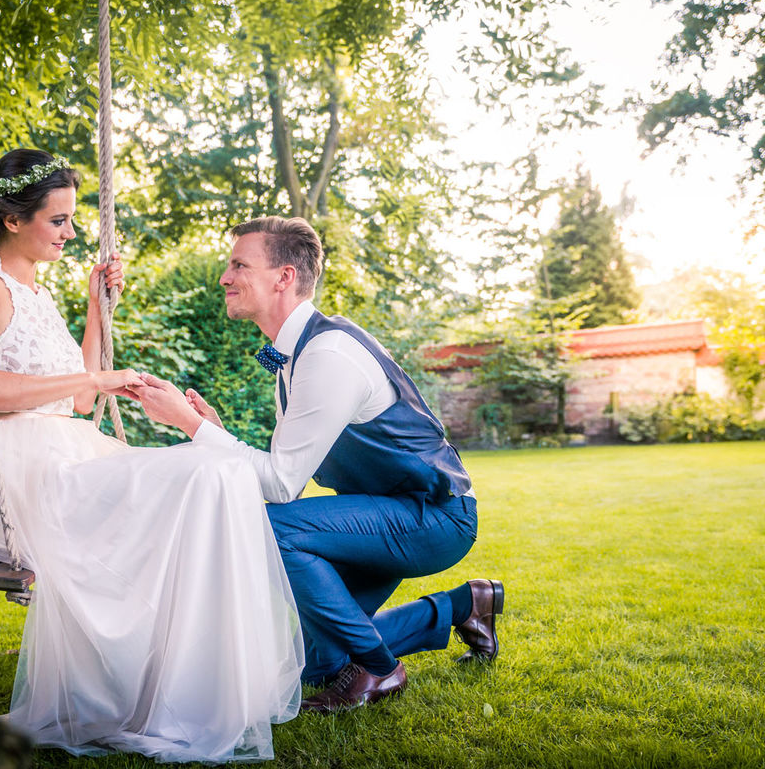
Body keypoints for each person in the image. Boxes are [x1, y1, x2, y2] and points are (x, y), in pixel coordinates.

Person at [0, 150, 302, 763]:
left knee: (216, 470)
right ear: (11, 220)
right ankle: (155, 687)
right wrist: (101, 383)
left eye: (73, 220)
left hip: (66, 446)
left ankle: (180, 686)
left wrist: (93, 309)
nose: (72, 233)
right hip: (13, 463)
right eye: (58, 221)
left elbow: (80, 396)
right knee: (200, 475)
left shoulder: (38, 294)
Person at [135, 216, 503, 713]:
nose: (224, 276)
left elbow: (281, 489)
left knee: (271, 530)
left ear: (284, 277)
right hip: (382, 510)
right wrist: (216, 434)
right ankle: (465, 605)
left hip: (433, 516)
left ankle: (379, 667)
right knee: (318, 663)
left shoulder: (328, 354)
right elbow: (287, 475)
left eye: (239, 264)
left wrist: (191, 427)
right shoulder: (290, 356)